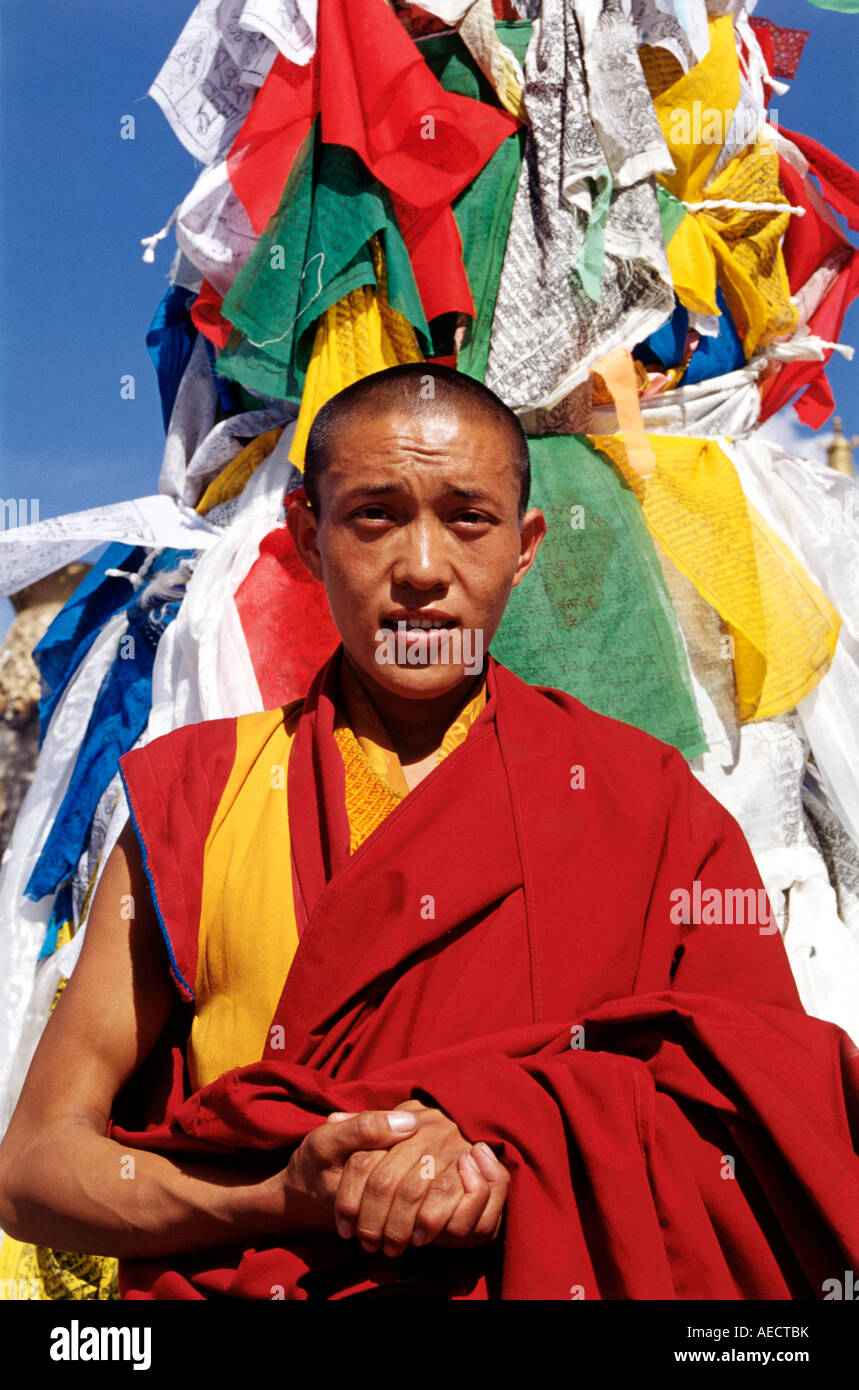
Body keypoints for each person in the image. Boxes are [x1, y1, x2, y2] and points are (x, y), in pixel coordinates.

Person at [0, 364, 856, 1301]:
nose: (420, 566)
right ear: (303, 536)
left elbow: (760, 1111)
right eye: (372, 514)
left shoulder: (646, 802)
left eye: (468, 518)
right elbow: (37, 1167)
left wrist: (513, 1135)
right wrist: (286, 1196)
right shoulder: (192, 798)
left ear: (524, 547)